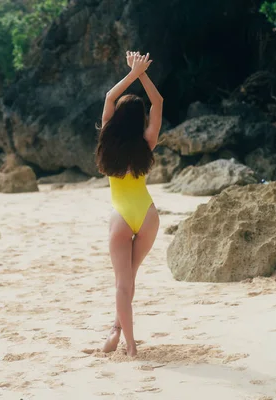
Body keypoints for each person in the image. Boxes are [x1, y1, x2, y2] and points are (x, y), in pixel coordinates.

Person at [95, 51, 163, 357]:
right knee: (130, 277)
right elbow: (157, 102)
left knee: (123, 283)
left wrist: (131, 73)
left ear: (118, 117)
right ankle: (115, 332)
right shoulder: (146, 141)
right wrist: (143, 73)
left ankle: (130, 344)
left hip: (121, 217)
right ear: (140, 121)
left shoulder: (107, 137)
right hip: (147, 215)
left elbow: (110, 95)